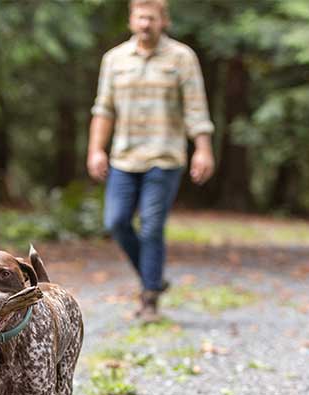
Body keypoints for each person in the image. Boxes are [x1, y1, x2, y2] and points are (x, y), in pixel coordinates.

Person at [87, 0, 214, 323]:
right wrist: (96, 150)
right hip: (124, 158)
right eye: (140, 17)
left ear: (163, 21)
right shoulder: (114, 60)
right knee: (115, 221)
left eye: (152, 18)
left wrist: (203, 148)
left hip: (165, 156)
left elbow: (195, 108)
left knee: (152, 226)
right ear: (131, 20)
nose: (146, 24)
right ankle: (153, 276)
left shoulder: (182, 58)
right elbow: (104, 109)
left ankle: (149, 300)